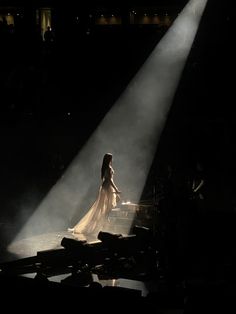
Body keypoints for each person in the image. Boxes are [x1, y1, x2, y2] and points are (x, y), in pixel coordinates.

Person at [68, 153, 121, 235]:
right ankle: (100, 226)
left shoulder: (105, 167)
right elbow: (110, 180)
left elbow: (108, 179)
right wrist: (116, 189)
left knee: (102, 207)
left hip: (105, 187)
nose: (112, 160)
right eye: (111, 158)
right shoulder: (109, 168)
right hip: (107, 188)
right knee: (104, 208)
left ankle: (102, 225)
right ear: (109, 159)